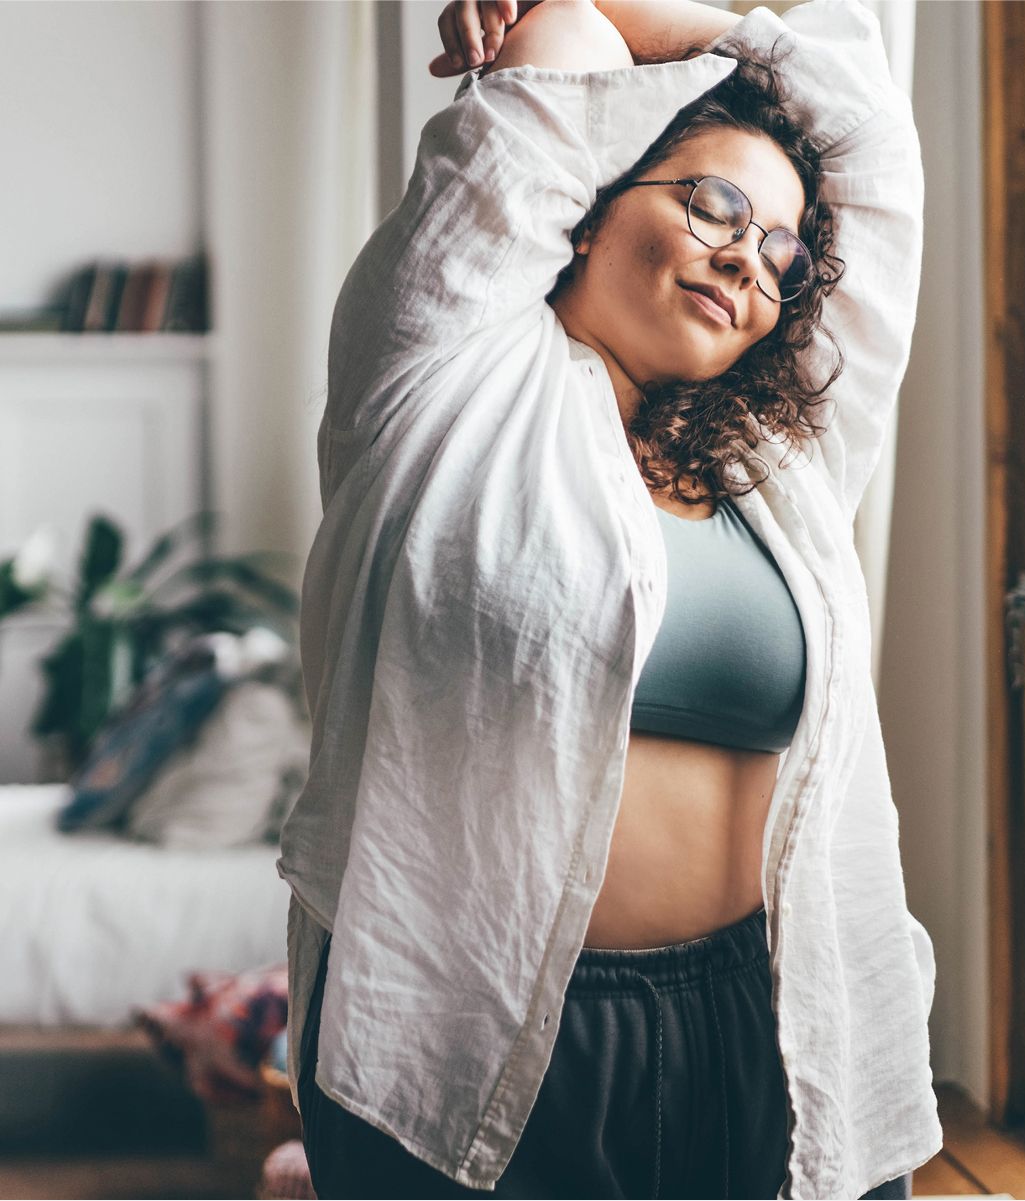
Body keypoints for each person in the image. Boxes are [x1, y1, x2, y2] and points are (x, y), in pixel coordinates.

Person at [278, 1, 940, 1197]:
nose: (747, 259)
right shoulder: (441, 373)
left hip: (760, 1020)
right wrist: (565, 5)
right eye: (714, 206)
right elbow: (564, 50)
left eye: (779, 253)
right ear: (586, 206)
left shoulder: (786, 461)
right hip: (474, 1022)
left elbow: (867, 120)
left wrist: (693, 32)